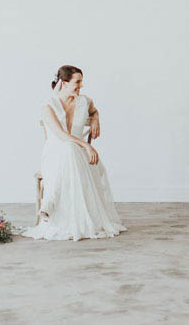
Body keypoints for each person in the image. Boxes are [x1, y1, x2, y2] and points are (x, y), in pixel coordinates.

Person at [21, 65, 126, 241]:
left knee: (71, 150)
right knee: (68, 148)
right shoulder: (48, 106)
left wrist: (95, 119)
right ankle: (51, 203)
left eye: (81, 81)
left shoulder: (84, 101)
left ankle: (50, 202)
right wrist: (87, 146)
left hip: (78, 155)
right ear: (64, 83)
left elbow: (94, 110)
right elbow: (61, 135)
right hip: (55, 153)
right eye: (77, 82)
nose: (81, 86)